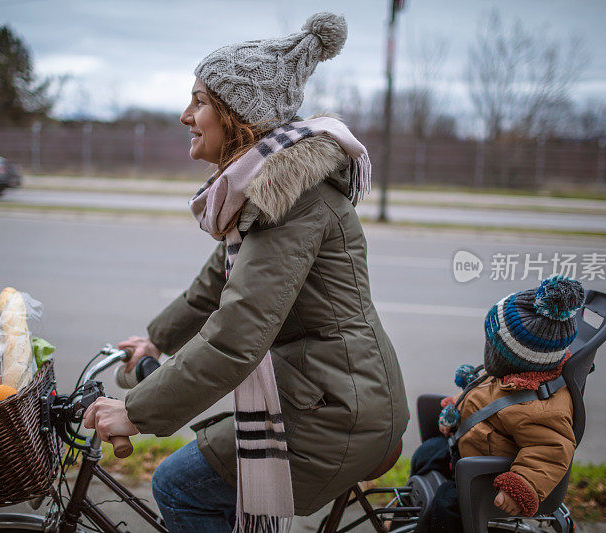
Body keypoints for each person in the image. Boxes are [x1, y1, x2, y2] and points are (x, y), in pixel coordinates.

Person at [83, 12, 409, 532]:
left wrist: (137, 413)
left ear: (238, 115)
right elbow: (214, 286)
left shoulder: (291, 202)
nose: (186, 116)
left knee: (176, 484)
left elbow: (237, 335)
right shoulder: (262, 194)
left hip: (337, 411)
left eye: (201, 101)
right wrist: (155, 341)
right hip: (331, 392)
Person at [411, 275, 584, 533]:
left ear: (516, 359)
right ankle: (412, 510)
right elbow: (484, 396)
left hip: (486, 476)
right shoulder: (511, 374)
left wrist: (520, 486)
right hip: (467, 446)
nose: (486, 352)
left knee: (446, 506)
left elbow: (551, 450)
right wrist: (458, 407)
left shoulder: (543, 408)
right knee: (425, 454)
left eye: (492, 348)